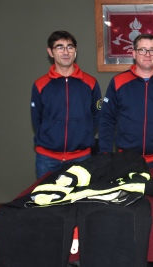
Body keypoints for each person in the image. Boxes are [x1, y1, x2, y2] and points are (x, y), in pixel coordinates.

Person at [99, 33, 153, 171]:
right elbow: (107, 120)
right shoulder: (118, 82)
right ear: (134, 53)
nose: (148, 54)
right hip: (126, 160)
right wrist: (105, 154)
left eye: (152, 50)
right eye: (142, 50)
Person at [30, 31, 102, 179]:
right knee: (46, 200)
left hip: (81, 158)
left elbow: (97, 115)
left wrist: (84, 133)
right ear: (50, 52)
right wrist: (51, 135)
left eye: (70, 47)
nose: (65, 52)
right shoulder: (40, 85)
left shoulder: (90, 83)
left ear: (75, 50)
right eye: (59, 47)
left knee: (81, 201)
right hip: (47, 159)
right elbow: (37, 119)